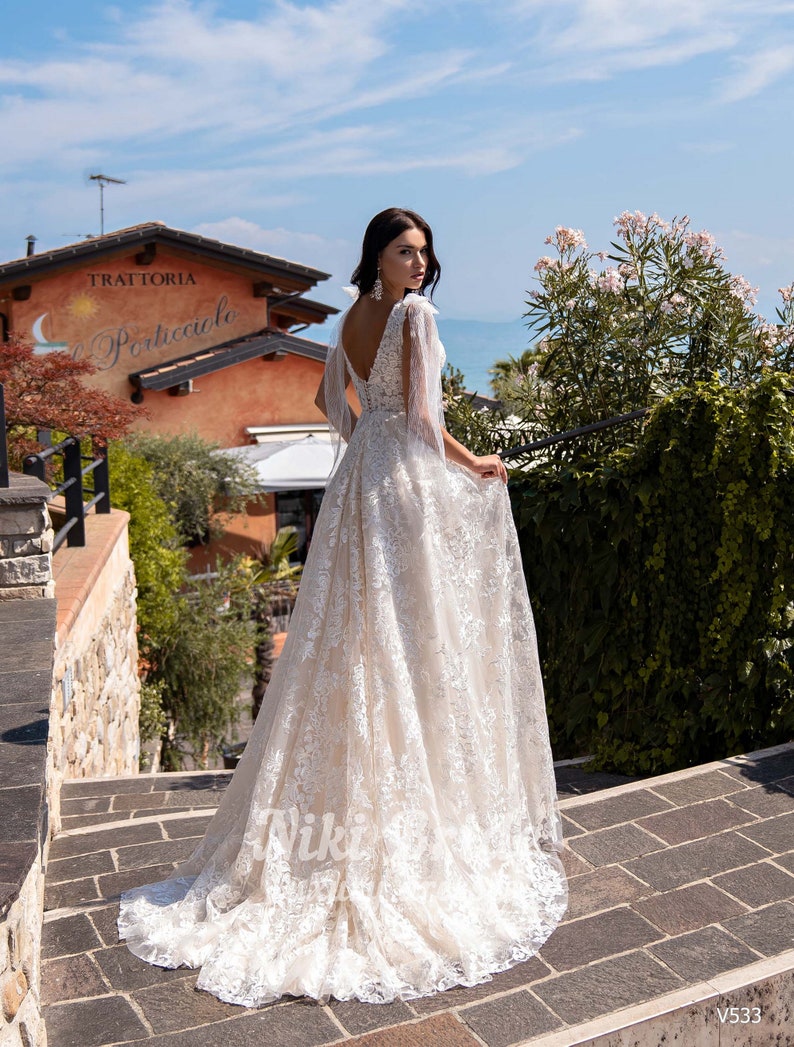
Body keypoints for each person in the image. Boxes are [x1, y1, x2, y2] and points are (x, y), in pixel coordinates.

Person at [117, 207, 568, 1007]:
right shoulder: (413, 316)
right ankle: (405, 814)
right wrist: (478, 464)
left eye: (425, 251)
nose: (420, 264)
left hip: (357, 482)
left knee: (356, 641)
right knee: (413, 639)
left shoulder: (355, 317)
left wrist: (372, 439)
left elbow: (338, 404)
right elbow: (428, 423)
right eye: (406, 251)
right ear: (380, 257)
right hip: (400, 489)